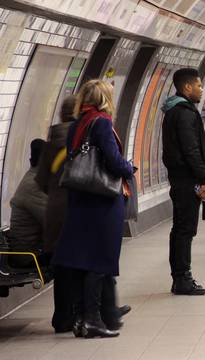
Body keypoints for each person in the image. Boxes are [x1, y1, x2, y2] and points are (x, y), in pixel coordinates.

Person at [52, 80, 134, 338]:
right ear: (105, 98)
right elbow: (112, 159)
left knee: (82, 261)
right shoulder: (101, 122)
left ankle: (80, 318)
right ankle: (93, 320)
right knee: (100, 260)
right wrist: (128, 168)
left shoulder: (78, 123)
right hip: (102, 201)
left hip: (80, 199)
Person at [161, 68, 205, 296]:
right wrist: (203, 179)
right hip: (187, 179)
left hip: (180, 178)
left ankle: (180, 277)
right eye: (199, 85)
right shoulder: (185, 113)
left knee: (181, 228)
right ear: (187, 87)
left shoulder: (175, 111)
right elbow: (192, 150)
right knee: (184, 230)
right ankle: (182, 278)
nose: (202, 89)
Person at [35, 95, 76, 333]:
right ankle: (84, 312)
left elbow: (41, 181)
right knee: (82, 262)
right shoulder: (85, 136)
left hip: (56, 210)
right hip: (79, 208)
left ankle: (61, 318)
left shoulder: (52, 140)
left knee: (61, 267)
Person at [7, 139, 47, 267]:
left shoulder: (36, 179)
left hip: (35, 249)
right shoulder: (33, 185)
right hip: (30, 255)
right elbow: (53, 220)